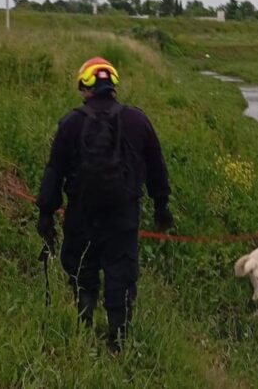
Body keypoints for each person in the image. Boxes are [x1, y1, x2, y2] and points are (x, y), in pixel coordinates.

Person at [35, 57, 173, 354]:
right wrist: (161, 206)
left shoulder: (71, 122)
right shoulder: (138, 120)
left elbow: (54, 171)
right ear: (113, 86)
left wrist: (46, 213)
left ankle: (83, 327)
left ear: (85, 87)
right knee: (120, 272)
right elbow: (156, 166)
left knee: (82, 267)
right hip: (124, 214)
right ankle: (118, 341)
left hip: (81, 213)